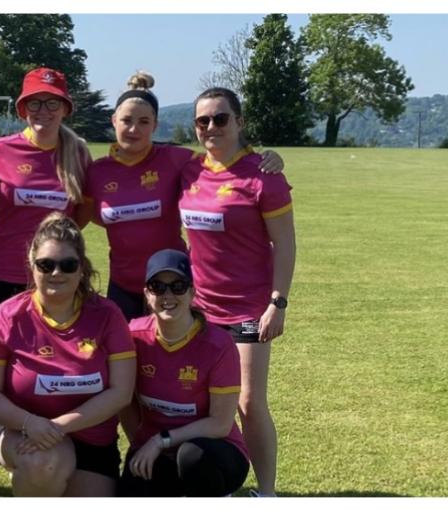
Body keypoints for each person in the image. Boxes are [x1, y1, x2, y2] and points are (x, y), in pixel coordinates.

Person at [0, 67, 92, 491]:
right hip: (2, 276)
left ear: (65, 108)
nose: (43, 111)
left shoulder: (78, 154)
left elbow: (82, 215)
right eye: (35, 102)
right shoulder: (3, 150)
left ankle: (49, 441)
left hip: (56, 281)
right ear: (22, 107)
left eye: (52, 103)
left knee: (50, 363)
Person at [78, 71, 285, 321]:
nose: (134, 129)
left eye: (144, 122)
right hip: (123, 287)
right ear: (114, 121)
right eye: (126, 120)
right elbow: (84, 217)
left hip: (172, 285)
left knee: (175, 357)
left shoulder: (177, 160)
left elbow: (222, 157)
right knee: (125, 357)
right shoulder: (97, 171)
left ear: (155, 124)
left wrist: (265, 157)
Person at [178, 87, 296, 497]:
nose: (211, 127)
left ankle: (266, 493)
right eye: (202, 121)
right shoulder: (190, 169)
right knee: (207, 403)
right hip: (198, 309)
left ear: (239, 122)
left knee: (248, 402)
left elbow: (285, 243)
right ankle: (220, 484)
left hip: (248, 307)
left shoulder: (264, 175)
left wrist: (277, 303)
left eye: (221, 118)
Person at [0, 213, 136, 496]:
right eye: (46, 265)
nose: (56, 273)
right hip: (17, 430)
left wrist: (57, 427)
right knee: (44, 463)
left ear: (82, 268)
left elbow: (121, 392)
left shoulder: (108, 315)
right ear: (31, 266)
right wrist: (29, 423)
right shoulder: (6, 317)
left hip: (91, 437)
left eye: (67, 265)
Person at [118, 249, 249, 496]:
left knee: (191, 457)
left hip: (212, 449)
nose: (168, 295)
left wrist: (162, 440)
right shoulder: (132, 337)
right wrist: (142, 443)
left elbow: (220, 424)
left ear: (192, 292)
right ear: (146, 294)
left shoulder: (218, 344)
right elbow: (124, 401)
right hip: (156, 447)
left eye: (178, 286)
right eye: (158, 286)